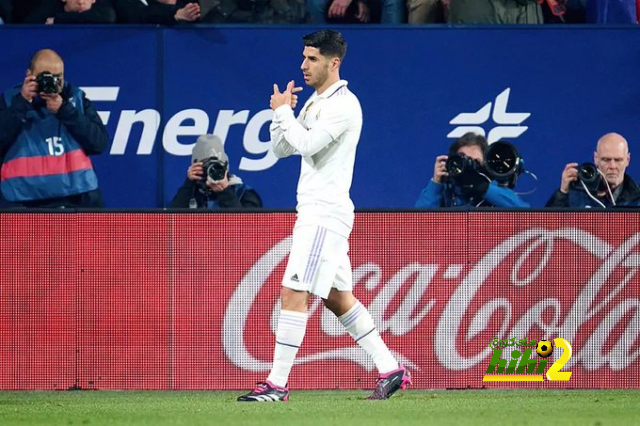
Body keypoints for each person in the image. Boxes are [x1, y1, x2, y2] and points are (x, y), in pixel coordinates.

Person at [237, 30, 411, 403]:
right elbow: (282, 148)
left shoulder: (344, 105)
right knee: (337, 297)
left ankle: (277, 384)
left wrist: (285, 112)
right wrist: (279, 114)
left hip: (323, 215)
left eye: (312, 59)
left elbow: (308, 145)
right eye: (303, 57)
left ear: (334, 63)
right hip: (317, 213)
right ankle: (390, 367)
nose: (303, 65)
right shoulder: (315, 103)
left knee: (293, 291)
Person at [0, 49, 108, 208]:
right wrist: (21, 103)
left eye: (58, 78)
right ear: (29, 74)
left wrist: (64, 110)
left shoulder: (75, 98)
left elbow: (99, 143)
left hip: (76, 197)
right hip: (22, 200)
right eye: (45, 77)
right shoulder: (9, 101)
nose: (51, 83)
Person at [415, 132, 530, 208]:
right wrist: (436, 183)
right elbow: (416, 224)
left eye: (475, 162)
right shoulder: (446, 190)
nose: (468, 167)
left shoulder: (494, 190)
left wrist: (481, 187)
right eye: (463, 159)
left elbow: (525, 214)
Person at [546, 133, 640, 208]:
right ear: (596, 159)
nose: (612, 166)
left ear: (627, 160)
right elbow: (547, 228)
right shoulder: (577, 193)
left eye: (618, 160)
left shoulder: (638, 196)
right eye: (606, 160)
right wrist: (562, 193)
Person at [169, 134, 262, 209]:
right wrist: (188, 185)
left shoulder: (243, 192)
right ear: (195, 166)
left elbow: (249, 229)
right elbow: (170, 224)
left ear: (226, 167)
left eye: (217, 166)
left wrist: (225, 192)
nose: (212, 170)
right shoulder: (191, 192)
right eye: (206, 166)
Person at [23, 0, 116, 24]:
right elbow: (30, 23)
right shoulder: (49, 7)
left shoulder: (103, 10)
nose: (80, 1)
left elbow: (109, 17)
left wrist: (58, 20)